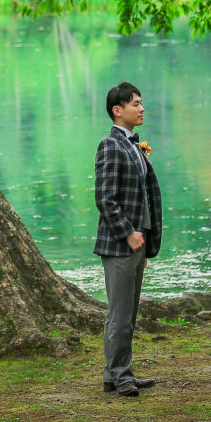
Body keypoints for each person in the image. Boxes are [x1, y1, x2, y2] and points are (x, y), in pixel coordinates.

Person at [93, 82, 163, 397]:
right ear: (117, 110)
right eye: (135, 103)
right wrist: (129, 233)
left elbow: (143, 197)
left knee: (129, 314)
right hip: (120, 243)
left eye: (141, 101)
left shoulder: (133, 145)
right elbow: (105, 198)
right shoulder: (110, 144)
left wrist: (144, 240)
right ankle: (119, 376)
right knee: (119, 315)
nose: (142, 107)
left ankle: (119, 373)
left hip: (137, 243)